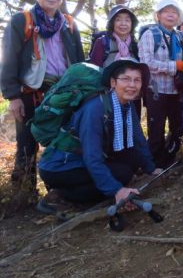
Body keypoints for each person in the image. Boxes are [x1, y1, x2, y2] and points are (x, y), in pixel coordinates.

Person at [37, 58, 161, 212]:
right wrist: (117, 190)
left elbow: (138, 138)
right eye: (126, 79)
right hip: (60, 166)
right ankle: (61, 196)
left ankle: (96, 187)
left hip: (83, 159)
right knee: (122, 175)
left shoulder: (126, 105)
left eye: (137, 80)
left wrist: (150, 168)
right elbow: (92, 157)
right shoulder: (95, 108)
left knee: (133, 158)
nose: (132, 85)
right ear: (113, 83)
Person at [1, 0, 85, 195]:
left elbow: (78, 59)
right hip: (30, 92)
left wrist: (82, 90)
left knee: (61, 141)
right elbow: (8, 59)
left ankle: (59, 192)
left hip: (63, 92)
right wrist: (13, 96)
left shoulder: (68, 23)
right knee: (27, 142)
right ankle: (24, 194)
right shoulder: (22, 21)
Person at [138, 0, 183, 168]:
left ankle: (170, 158)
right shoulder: (150, 34)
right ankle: (154, 164)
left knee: (176, 127)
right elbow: (146, 63)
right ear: (158, 15)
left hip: (175, 90)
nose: (170, 15)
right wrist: (174, 66)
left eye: (174, 12)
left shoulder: (178, 36)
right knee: (156, 128)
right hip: (156, 90)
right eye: (166, 11)